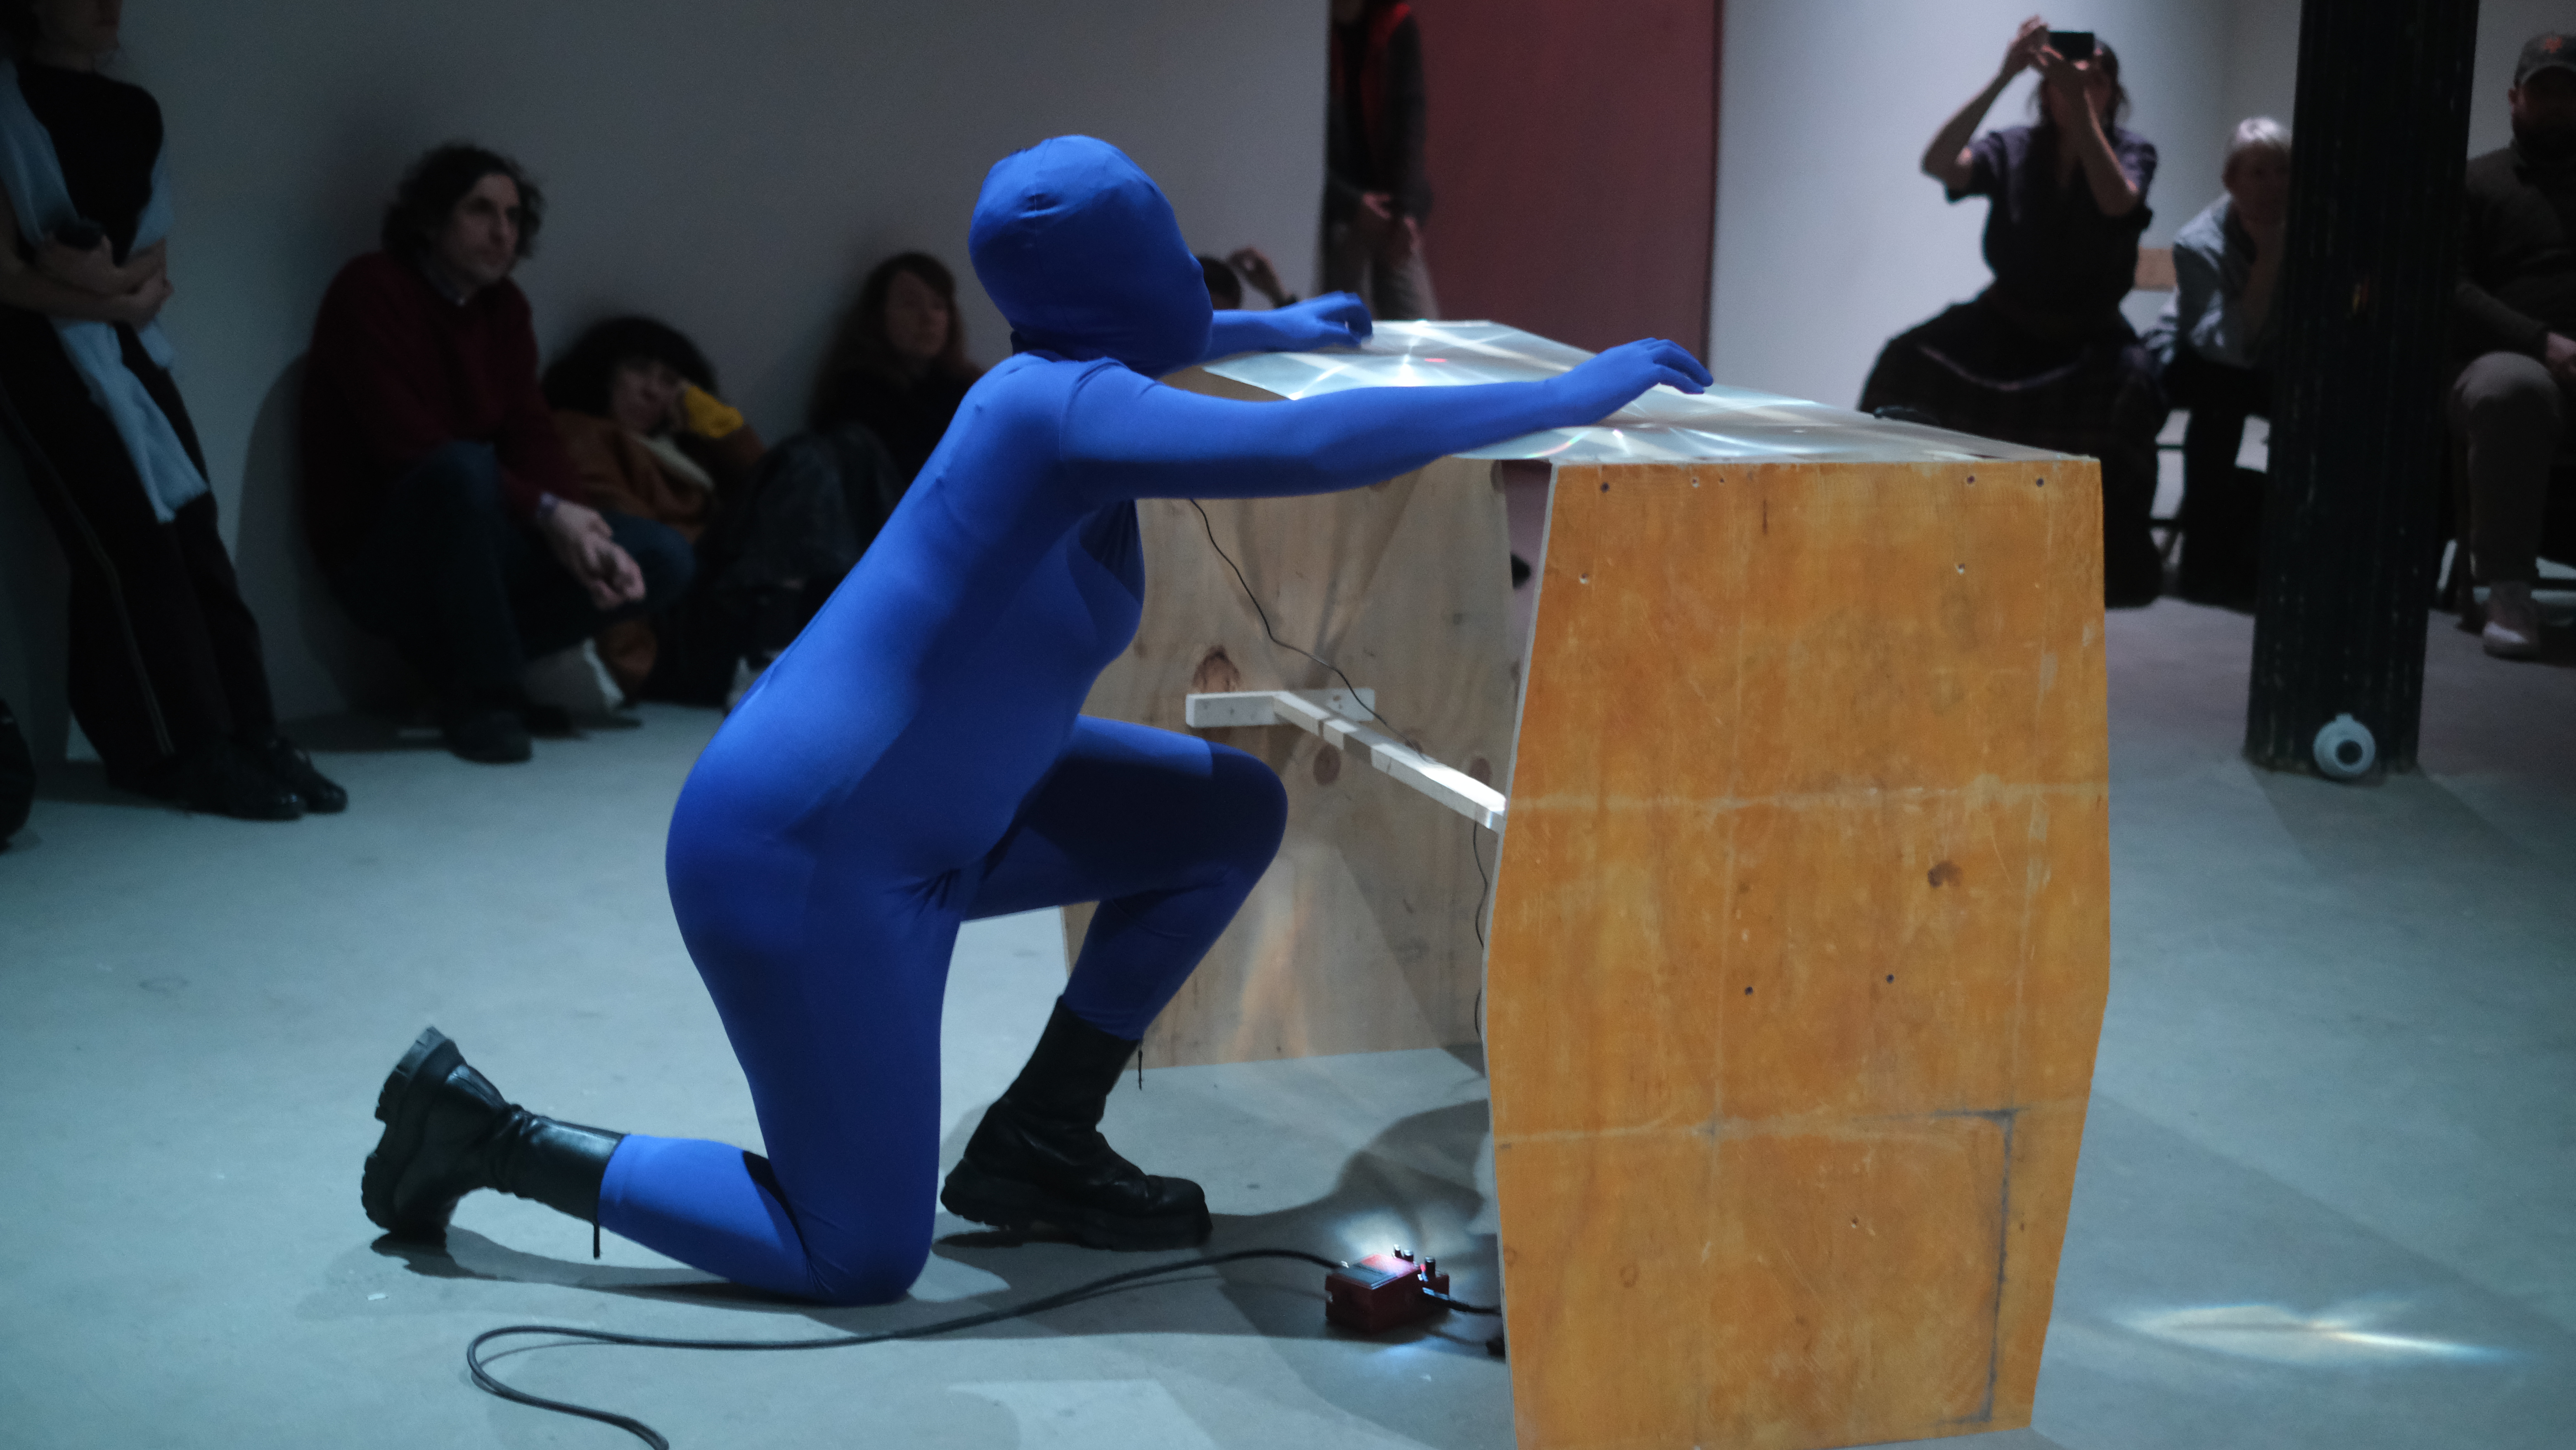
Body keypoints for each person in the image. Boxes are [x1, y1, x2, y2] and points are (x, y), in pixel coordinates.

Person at [359, 135, 1709, 1306]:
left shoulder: (1050, 379)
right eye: (1165, 250)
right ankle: (482, 1134)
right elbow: (1307, 452)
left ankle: (1041, 1141)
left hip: (948, 822)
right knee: (860, 1252)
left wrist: (1284, 329)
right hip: (809, 858)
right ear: (1122, 280)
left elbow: (1156, 344)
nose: (1190, 274)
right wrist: (1570, 397)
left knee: (1226, 810)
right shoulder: (1059, 417)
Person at [0, 0, 340, 819]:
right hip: (37, 355)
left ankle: (251, 731)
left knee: (193, 536)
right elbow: (7, 277)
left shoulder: (133, 110)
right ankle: (190, 747)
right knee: (128, 545)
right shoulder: (6, 103)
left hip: (127, 349)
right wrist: (115, 299)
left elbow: (154, 251)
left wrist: (110, 296)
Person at [301, 145, 694, 762]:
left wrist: (578, 524)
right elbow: (408, 445)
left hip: (479, 539)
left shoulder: (504, 309)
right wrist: (544, 511)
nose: (501, 231)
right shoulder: (372, 289)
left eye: (513, 217)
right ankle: (488, 691)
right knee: (462, 470)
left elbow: (529, 430)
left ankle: (462, 674)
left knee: (662, 557)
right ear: (431, 221)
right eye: (481, 211)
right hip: (385, 553)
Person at [1860, 17, 2164, 605]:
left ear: (2113, 94)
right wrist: (2002, 77)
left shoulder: (2132, 151)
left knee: (2135, 386)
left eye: (2096, 79)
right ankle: (1893, 529)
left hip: (2088, 335)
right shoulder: (2016, 146)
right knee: (1906, 360)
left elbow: (2116, 201)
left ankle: (2102, 558)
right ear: (2042, 87)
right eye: (2065, 79)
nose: (2080, 87)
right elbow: (1939, 163)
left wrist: (2083, 118)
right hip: (2005, 321)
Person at [2450, 33, 2576, 660]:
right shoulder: (2478, 182)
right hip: (2511, 360)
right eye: (2543, 91)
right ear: (2514, 98)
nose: (2556, 103)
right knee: (2513, 389)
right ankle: (2508, 589)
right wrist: (2542, 343)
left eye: (2568, 92)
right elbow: (2452, 286)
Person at [2157, 117, 2290, 607]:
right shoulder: (2199, 244)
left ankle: (2290, 551)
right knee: (2221, 394)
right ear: (2231, 182)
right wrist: (2268, 260)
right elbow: (2225, 348)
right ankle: (2204, 561)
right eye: (2259, 173)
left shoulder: (2312, 225)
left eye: (2284, 171)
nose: (2275, 185)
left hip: (2270, 362)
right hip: (2198, 357)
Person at [807, 250, 981, 482]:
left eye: (938, 305)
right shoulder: (855, 397)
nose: (927, 317)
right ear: (878, 316)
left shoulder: (967, 389)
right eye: (910, 304)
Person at [1324, 0, 1436, 321]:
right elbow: (1297, 146)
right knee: (1348, 326)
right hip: (1335, 208)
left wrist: (1408, 213)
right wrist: (1351, 203)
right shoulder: (1306, 33)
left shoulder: (1395, 24)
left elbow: (1410, 123)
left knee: (1420, 331)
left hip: (1390, 209)